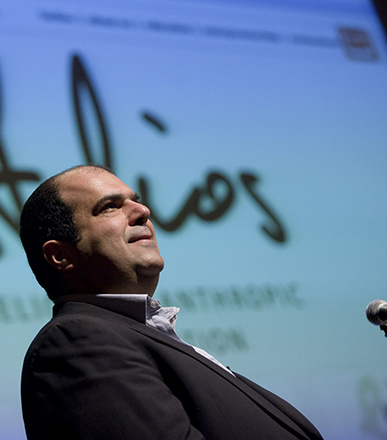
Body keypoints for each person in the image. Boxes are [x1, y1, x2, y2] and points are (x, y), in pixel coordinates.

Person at [19, 165, 323, 439]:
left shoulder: (131, 335)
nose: (143, 211)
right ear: (61, 255)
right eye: (110, 206)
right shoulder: (77, 341)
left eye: (136, 200)